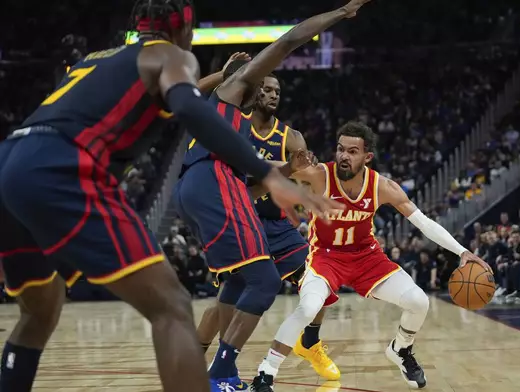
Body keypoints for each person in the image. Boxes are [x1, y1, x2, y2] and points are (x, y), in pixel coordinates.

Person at [0, 0, 341, 391]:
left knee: (39, 310)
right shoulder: (172, 56)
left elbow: (179, 96)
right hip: (63, 168)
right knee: (172, 306)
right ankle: (221, 373)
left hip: (10, 161)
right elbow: (188, 106)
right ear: (184, 29)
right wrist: (266, 171)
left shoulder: (95, 60)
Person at [172, 1, 371, 390]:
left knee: (249, 283)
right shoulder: (230, 95)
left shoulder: (251, 126)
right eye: (263, 83)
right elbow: (291, 39)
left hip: (212, 193)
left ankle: (298, 344)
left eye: (274, 88)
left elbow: (265, 179)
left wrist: (293, 173)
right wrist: (341, 13)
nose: (269, 90)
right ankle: (220, 374)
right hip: (216, 187)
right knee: (261, 281)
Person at [250, 121, 489, 391]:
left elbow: (423, 223)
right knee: (307, 308)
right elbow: (267, 168)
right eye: (340, 149)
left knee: (419, 301)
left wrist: (463, 251)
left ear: (367, 157)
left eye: (352, 151)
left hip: (366, 258)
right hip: (325, 257)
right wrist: (247, 156)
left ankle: (400, 349)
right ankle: (265, 373)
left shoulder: (382, 186)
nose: (343, 156)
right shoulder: (319, 175)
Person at [194, 74, 339, 382]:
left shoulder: (291, 137)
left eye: (277, 91)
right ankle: (196, 357)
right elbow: (241, 170)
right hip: (239, 222)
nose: (274, 95)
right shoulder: (234, 126)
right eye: (267, 89)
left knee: (321, 280)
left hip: (276, 225)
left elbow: (306, 175)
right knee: (226, 301)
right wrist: (282, 169)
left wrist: (312, 176)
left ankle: (309, 342)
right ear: (253, 92)